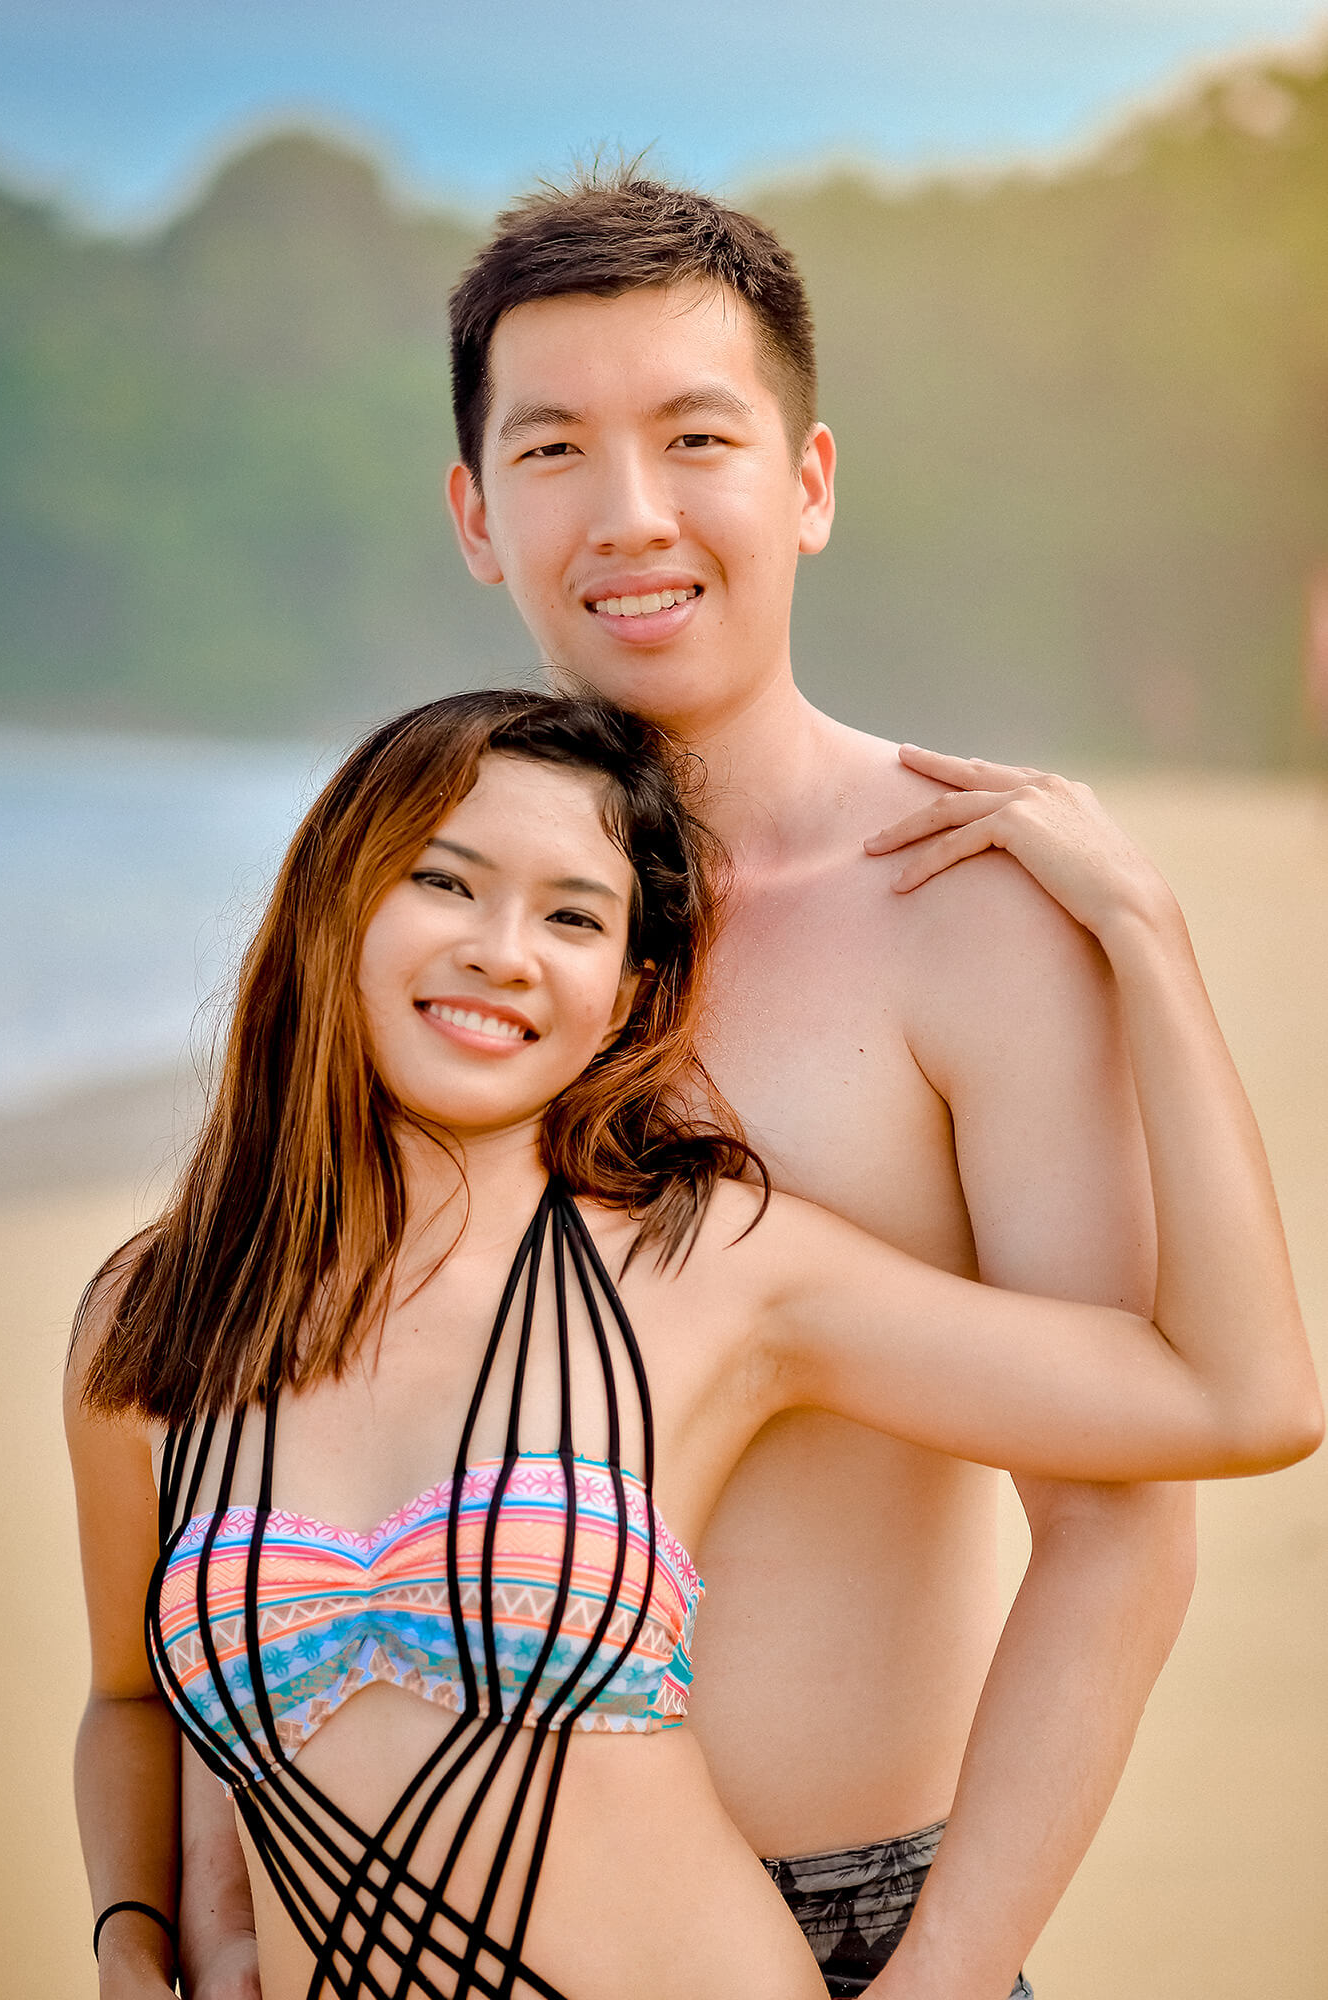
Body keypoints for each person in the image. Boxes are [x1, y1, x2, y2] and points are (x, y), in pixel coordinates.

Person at [176, 173, 1301, 2000]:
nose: (628, 514)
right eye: (551, 449)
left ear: (807, 482)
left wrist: (944, 1975)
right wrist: (201, 1915)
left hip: (856, 1934)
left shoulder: (964, 916)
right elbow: (288, 1435)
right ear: (475, 513)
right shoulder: (454, 957)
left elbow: (1118, 1522)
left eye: (695, 436)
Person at [67, 690, 1318, 2000]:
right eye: (446, 883)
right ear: (334, 910)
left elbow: (1238, 1399)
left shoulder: (709, 1269)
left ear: (625, 996)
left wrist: (1143, 933)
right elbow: (130, 1702)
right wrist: (135, 1938)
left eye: (572, 916)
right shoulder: (157, 1323)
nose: (504, 952)